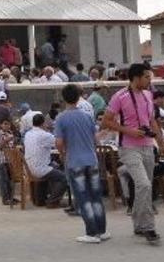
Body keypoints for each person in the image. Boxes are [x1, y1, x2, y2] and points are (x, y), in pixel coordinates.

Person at [101, 63, 164, 243]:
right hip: (128, 147)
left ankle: (139, 224)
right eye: (146, 77)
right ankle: (148, 227)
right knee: (144, 185)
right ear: (136, 77)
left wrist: (160, 140)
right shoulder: (119, 97)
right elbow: (106, 122)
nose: (149, 80)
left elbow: (151, 120)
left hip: (147, 145)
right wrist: (129, 131)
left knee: (145, 186)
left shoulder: (148, 94)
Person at [56, 84, 110, 243]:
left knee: (83, 197)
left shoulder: (61, 118)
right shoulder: (87, 116)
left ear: (63, 98)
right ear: (79, 97)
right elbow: (95, 139)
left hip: (74, 161)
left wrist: (62, 152)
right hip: (91, 160)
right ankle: (102, 230)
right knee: (95, 196)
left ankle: (91, 233)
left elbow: (58, 142)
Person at [24, 114, 68, 208]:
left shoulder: (28, 134)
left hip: (28, 168)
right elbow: (60, 143)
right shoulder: (44, 135)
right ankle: (53, 201)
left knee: (55, 167)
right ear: (43, 123)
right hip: (39, 169)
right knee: (64, 178)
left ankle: (41, 200)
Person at [0, 119, 17, 205]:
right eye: (5, 124)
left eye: (8, 124)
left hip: (10, 161)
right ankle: (5, 199)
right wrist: (7, 139)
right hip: (2, 160)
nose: (7, 126)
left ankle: (11, 197)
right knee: (4, 180)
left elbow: (12, 146)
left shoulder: (10, 133)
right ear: (1, 125)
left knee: (11, 180)